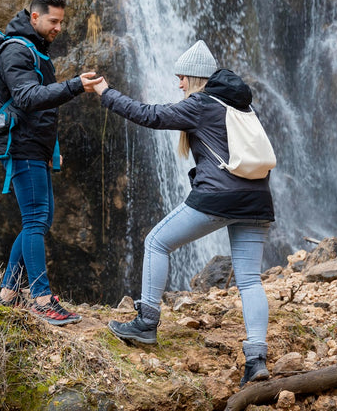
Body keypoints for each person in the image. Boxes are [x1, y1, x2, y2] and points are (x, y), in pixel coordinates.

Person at [86, 39, 274, 385]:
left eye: (182, 77)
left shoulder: (201, 104)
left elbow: (150, 115)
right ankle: (257, 359)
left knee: (156, 241)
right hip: (257, 199)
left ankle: (145, 322)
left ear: (195, 78)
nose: (179, 84)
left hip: (219, 197)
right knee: (249, 280)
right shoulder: (241, 106)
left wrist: (106, 93)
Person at [0, 0, 101, 325]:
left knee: (38, 219)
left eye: (61, 22)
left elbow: (39, 109)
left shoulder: (35, 50)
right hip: (22, 147)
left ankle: (8, 295)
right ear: (35, 17)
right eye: (53, 21)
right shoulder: (15, 51)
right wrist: (74, 87)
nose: (58, 28)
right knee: (37, 219)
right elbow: (26, 98)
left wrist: (52, 150)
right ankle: (41, 299)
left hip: (35, 148)